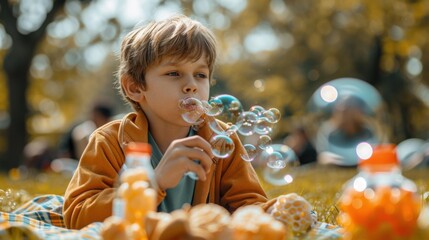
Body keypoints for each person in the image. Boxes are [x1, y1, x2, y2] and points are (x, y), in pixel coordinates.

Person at [63, 15, 274, 229]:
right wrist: (153, 183)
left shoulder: (221, 140)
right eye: (174, 73)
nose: (191, 85)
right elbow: (77, 216)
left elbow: (250, 207)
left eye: (201, 74)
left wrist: (277, 211)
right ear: (135, 87)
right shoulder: (109, 141)